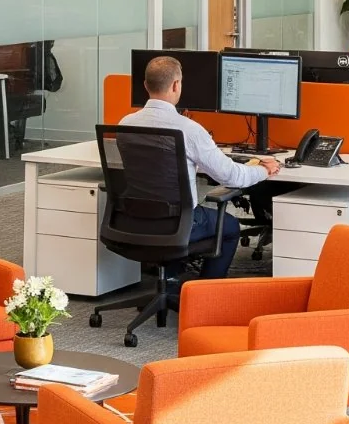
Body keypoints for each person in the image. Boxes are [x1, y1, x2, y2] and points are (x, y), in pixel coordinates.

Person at [119, 54, 280, 280]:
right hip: (181, 222)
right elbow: (232, 176)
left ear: (145, 85)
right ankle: (204, 296)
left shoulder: (126, 124)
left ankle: (172, 283)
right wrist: (264, 170)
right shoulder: (189, 129)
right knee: (230, 227)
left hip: (135, 219)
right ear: (177, 85)